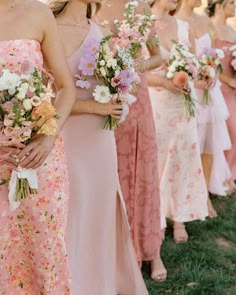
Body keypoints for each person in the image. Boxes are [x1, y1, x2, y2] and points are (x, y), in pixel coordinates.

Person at [49, 0, 149, 294]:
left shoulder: (102, 32)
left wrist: (120, 105)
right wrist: (95, 106)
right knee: (70, 210)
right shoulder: (48, 28)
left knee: (101, 207)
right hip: (62, 138)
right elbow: (46, 99)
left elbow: (117, 85)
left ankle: (102, 283)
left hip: (99, 141)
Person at [0, 0, 76, 293]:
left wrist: (48, 137)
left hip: (40, 160)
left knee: (44, 251)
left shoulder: (39, 12)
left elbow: (66, 88)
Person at [97, 0, 167, 281]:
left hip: (138, 102)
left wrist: (134, 65)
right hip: (103, 99)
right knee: (109, 176)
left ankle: (151, 250)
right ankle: (111, 252)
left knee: (144, 172)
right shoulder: (92, 7)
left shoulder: (142, 10)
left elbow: (158, 56)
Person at [147, 0, 209, 244]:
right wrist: (164, 82)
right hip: (157, 104)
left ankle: (180, 217)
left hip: (183, 104)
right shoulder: (141, 24)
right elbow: (135, 71)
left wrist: (203, 75)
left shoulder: (184, 26)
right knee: (159, 159)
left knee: (183, 157)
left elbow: (195, 65)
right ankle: (158, 217)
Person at [177, 0, 234, 201]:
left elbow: (214, 56)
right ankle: (185, 192)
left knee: (209, 143)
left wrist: (213, 74)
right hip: (189, 90)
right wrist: (195, 80)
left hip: (210, 90)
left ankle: (204, 194)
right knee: (188, 143)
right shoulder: (175, 21)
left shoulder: (204, 21)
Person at [209, 0, 236, 187]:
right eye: (231, 3)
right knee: (229, 130)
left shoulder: (233, 31)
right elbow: (209, 61)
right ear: (218, 5)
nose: (235, 6)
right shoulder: (210, 28)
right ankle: (220, 176)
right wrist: (228, 80)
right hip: (219, 87)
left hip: (233, 89)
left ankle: (230, 174)